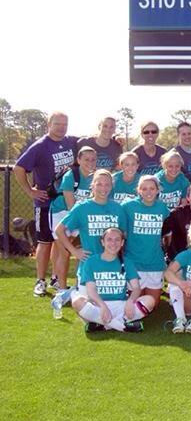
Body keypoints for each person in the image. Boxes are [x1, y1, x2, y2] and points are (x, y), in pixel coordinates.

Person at [14, 112, 76, 296]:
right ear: (49, 124)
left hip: (62, 203)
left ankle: (56, 279)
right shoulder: (40, 146)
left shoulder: (69, 142)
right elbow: (19, 168)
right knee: (45, 242)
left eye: (65, 124)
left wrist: (116, 139)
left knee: (59, 242)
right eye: (57, 124)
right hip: (45, 203)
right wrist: (30, 191)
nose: (61, 127)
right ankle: (40, 281)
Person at [55, 170, 127, 298]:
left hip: (112, 266)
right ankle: (72, 294)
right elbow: (59, 230)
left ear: (112, 186)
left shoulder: (118, 208)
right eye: (99, 184)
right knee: (88, 308)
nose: (103, 188)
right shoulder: (82, 207)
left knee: (109, 306)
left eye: (107, 185)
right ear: (92, 185)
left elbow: (124, 235)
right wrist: (74, 251)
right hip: (89, 264)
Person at [71, 227, 154, 333]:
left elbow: (136, 288)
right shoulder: (91, 262)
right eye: (109, 239)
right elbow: (91, 291)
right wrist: (102, 305)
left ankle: (102, 325)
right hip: (99, 306)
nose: (113, 243)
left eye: (117, 240)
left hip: (121, 306)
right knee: (77, 302)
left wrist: (130, 300)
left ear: (122, 242)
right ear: (102, 242)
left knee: (150, 300)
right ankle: (122, 326)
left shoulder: (127, 262)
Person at [48, 146, 97, 291]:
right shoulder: (71, 175)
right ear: (78, 160)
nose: (90, 162)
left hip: (79, 215)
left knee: (84, 250)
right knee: (64, 251)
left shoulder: (96, 177)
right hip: (61, 213)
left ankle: (80, 285)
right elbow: (71, 206)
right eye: (86, 159)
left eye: (93, 159)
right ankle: (62, 289)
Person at [122, 175, 170, 306]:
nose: (148, 192)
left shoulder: (162, 208)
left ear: (157, 190)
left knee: (152, 304)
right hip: (134, 262)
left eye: (152, 188)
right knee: (136, 302)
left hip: (155, 262)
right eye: (144, 189)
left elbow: (170, 230)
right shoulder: (128, 206)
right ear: (139, 190)